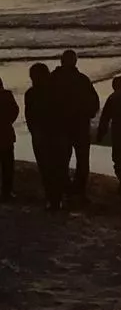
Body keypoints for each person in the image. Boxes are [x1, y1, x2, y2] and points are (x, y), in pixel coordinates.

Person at [50, 48, 99, 201]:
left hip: (62, 126)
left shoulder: (53, 79)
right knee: (80, 160)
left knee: (62, 160)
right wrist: (88, 114)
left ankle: (67, 189)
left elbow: (45, 102)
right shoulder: (82, 79)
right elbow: (94, 102)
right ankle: (77, 190)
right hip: (77, 126)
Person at [24, 63, 65, 210]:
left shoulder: (31, 93)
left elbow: (29, 116)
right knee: (57, 167)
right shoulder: (56, 90)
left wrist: (34, 132)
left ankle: (52, 198)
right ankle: (56, 198)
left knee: (46, 168)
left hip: (42, 135)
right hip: (55, 134)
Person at [0, 77, 18, 201]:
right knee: (7, 165)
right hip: (6, 133)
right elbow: (15, 110)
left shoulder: (6, 95)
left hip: (5, 132)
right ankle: (7, 191)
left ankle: (7, 191)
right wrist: (8, 121)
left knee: (7, 165)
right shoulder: (6, 95)